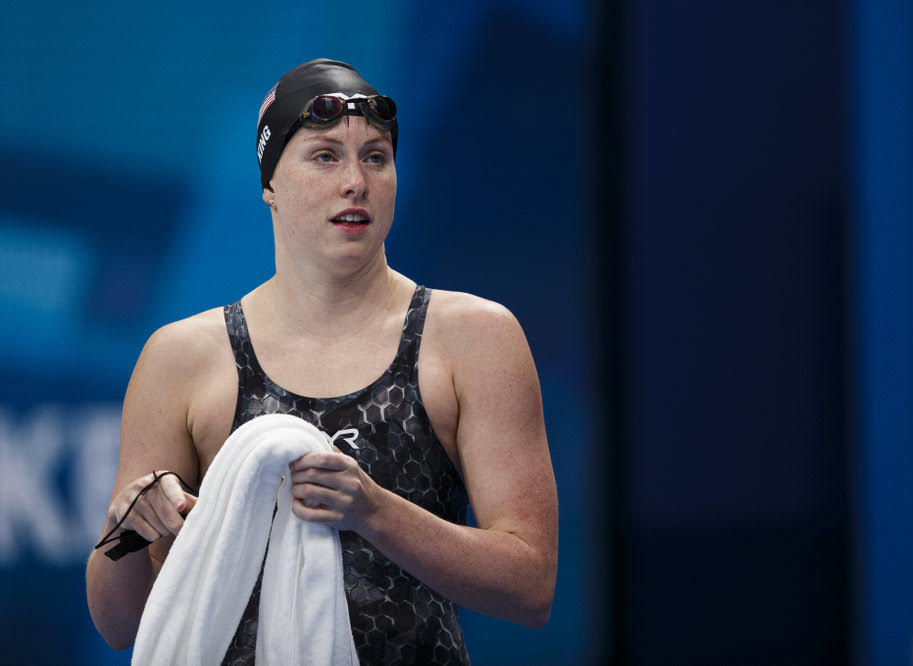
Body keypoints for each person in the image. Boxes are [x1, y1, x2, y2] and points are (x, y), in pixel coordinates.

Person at [85, 59, 558, 664]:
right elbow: (120, 626)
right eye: (325, 156)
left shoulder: (471, 338)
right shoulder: (183, 357)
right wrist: (127, 528)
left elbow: (531, 586)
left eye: (376, 157)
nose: (356, 181)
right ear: (270, 185)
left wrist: (373, 509)